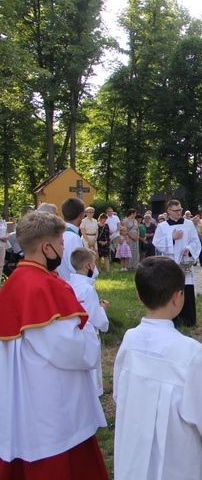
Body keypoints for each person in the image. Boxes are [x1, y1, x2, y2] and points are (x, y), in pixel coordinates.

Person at [0, 211, 108, 478]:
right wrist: (91, 338)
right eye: (60, 243)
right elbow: (70, 349)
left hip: (22, 392)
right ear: (46, 248)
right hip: (49, 401)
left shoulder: (13, 282)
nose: (64, 248)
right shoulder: (43, 287)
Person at [113, 256, 202, 479]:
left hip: (133, 447)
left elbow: (120, 393)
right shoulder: (191, 353)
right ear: (178, 296)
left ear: (139, 296)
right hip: (177, 458)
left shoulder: (129, 340)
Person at [153, 199, 202, 327]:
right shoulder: (162, 226)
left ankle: (188, 320)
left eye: (180, 210)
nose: (178, 212)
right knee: (171, 290)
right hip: (171, 262)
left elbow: (196, 241)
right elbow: (156, 243)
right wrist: (172, 239)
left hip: (185, 262)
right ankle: (172, 320)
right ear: (168, 211)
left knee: (186, 288)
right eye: (175, 210)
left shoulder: (189, 224)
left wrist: (189, 249)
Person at [69, 247, 110, 397]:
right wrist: (103, 309)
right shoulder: (87, 289)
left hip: (74, 332)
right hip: (88, 333)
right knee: (91, 368)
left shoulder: (69, 284)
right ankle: (93, 394)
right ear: (88, 265)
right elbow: (95, 318)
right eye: (94, 263)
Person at [58, 197, 86, 282]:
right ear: (81, 215)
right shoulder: (73, 238)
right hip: (72, 286)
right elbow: (78, 268)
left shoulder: (59, 234)